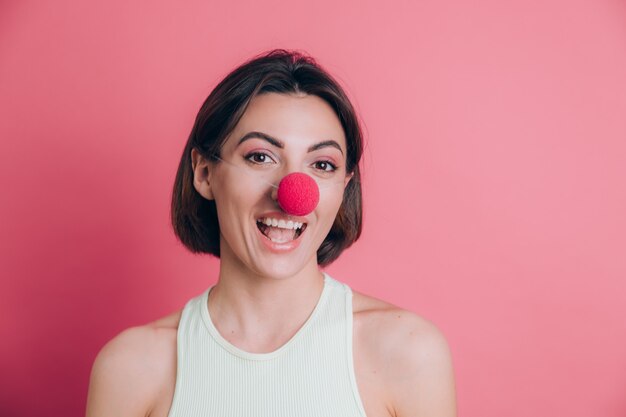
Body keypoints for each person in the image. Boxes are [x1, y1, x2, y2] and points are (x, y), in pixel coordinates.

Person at [85, 49, 457, 417]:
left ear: (344, 186)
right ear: (204, 173)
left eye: (322, 164)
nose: (294, 193)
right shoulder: (132, 369)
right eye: (260, 156)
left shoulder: (408, 353)